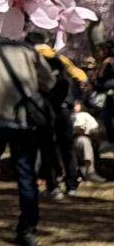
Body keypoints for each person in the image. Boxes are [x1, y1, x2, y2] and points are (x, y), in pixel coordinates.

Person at [0, 33, 55, 246]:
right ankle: (27, 231)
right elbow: (49, 81)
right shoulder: (27, 50)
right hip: (22, 122)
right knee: (26, 177)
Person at [27, 31, 85, 198]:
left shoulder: (32, 60)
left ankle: (53, 187)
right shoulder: (60, 58)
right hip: (64, 108)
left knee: (48, 148)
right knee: (67, 148)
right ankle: (72, 185)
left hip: (45, 109)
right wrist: (75, 98)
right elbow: (81, 76)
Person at [73, 103, 103, 183]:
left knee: (84, 141)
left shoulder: (85, 115)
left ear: (80, 105)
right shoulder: (66, 114)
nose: (74, 106)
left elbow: (95, 128)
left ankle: (90, 172)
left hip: (82, 138)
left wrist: (86, 130)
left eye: (76, 104)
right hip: (67, 140)